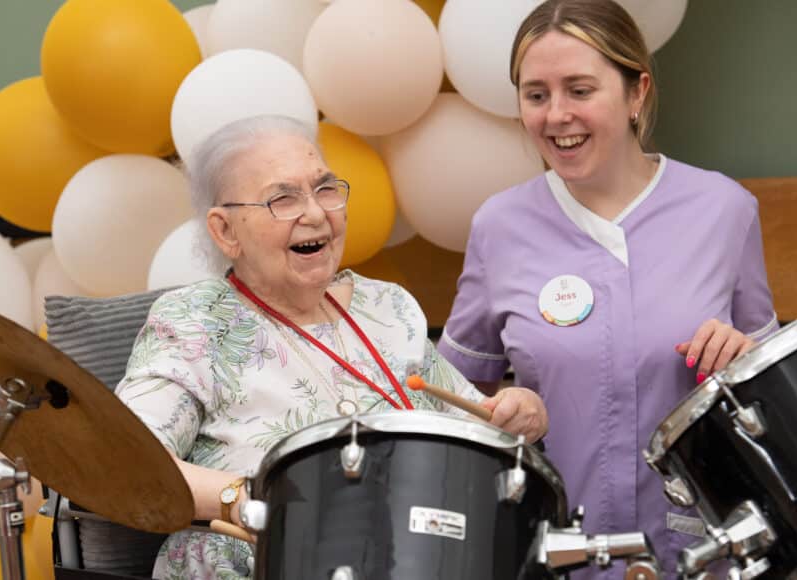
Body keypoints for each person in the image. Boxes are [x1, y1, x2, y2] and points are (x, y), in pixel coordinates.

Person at [114, 115, 547, 579]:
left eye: (325, 190)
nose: (316, 214)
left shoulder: (388, 307)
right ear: (225, 231)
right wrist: (248, 498)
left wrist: (518, 411)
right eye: (283, 199)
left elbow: (473, 433)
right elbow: (125, 459)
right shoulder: (196, 321)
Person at [436, 0, 779, 576]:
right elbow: (454, 404)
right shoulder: (499, 226)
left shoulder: (724, 210)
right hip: (558, 556)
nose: (556, 115)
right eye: (536, 94)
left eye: (580, 89)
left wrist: (748, 362)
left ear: (636, 92)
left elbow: (781, 405)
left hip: (703, 555)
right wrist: (499, 411)